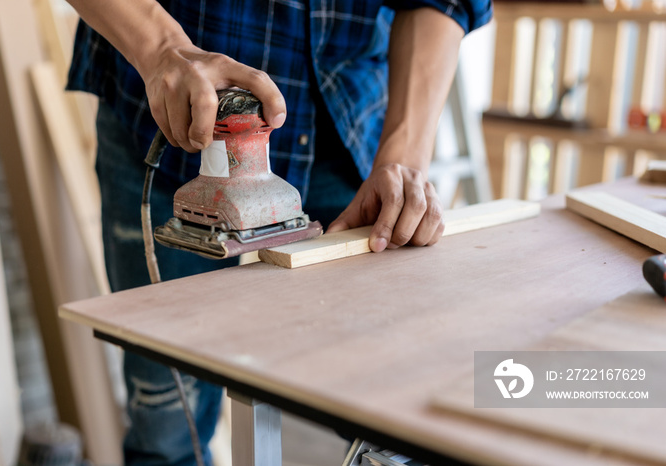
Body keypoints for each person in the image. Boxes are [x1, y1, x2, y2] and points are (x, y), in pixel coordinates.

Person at [66, 1, 492, 464]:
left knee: (396, 402)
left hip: (345, 127)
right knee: (169, 418)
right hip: (169, 102)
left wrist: (405, 155)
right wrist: (164, 48)